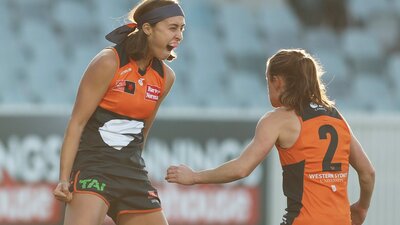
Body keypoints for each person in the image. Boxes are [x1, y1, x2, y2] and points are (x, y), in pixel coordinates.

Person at [165, 49, 375, 225]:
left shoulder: (279, 119)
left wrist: (194, 177)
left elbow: (241, 168)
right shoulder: (336, 118)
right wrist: (362, 208)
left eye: (267, 81)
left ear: (277, 81)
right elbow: (367, 172)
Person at [53, 1, 185, 224]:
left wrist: (135, 166)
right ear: (147, 29)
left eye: (182, 28)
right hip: (93, 167)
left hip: (131, 172)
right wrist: (64, 179)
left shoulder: (166, 77)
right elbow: (77, 123)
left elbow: (144, 131)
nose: (179, 36)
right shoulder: (108, 62)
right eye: (173, 28)